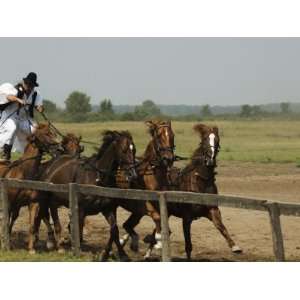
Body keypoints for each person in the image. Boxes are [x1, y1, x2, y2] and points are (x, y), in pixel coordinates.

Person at [0, 72, 44, 160]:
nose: (29, 87)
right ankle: (6, 152)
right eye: (27, 84)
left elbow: (40, 106)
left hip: (24, 119)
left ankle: (32, 153)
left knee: (36, 130)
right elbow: (9, 97)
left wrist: (40, 108)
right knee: (12, 127)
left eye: (31, 85)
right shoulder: (16, 89)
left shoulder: (35, 95)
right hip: (10, 117)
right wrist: (18, 100)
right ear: (24, 83)